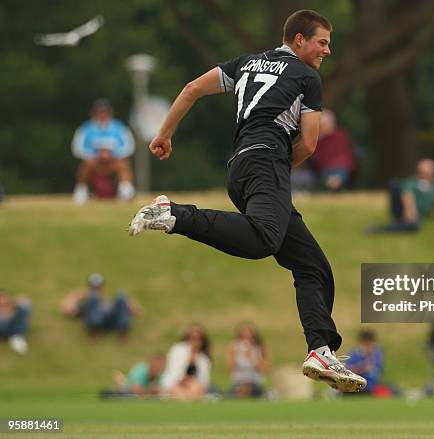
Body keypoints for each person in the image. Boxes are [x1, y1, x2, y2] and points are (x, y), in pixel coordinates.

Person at [127, 9, 366, 392]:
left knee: (312, 266)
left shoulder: (246, 63)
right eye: (322, 42)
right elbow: (307, 143)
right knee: (263, 241)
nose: (327, 50)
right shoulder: (307, 77)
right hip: (266, 162)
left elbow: (191, 89)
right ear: (299, 40)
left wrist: (164, 135)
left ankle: (321, 349)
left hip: (238, 166)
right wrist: (277, 171)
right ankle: (175, 215)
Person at [72, 99, 136, 204]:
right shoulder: (86, 129)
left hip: (113, 162)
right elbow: (77, 148)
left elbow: (129, 146)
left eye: (104, 112)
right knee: (86, 165)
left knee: (123, 164)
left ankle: (125, 192)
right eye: (99, 112)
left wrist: (113, 155)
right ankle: (81, 192)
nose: (102, 115)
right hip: (94, 163)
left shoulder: (119, 128)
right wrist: (95, 155)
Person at [368, 158, 434, 233]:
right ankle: (382, 228)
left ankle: (391, 227)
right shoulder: (412, 182)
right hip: (404, 208)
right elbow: (407, 194)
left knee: (413, 225)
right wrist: (410, 210)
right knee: (395, 184)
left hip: (417, 214)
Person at [60, 273, 139, 336]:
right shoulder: (87, 305)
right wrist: (80, 294)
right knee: (94, 299)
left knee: (121, 295)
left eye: (98, 288)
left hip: (113, 321)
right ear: (89, 288)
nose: (96, 290)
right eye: (93, 288)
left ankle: (123, 332)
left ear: (103, 288)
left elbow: (136, 311)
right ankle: (95, 332)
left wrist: (127, 300)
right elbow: (66, 309)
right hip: (96, 323)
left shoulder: (111, 302)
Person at [161, 324, 212, 400]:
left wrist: (193, 384)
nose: (195, 341)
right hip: (175, 384)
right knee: (180, 393)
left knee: (195, 389)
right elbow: (174, 372)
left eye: (198, 338)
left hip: (195, 387)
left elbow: (204, 381)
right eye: (192, 338)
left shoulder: (204, 359)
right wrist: (185, 381)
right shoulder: (177, 350)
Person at [310, 109, 357, 191]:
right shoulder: (317, 140)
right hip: (324, 169)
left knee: (338, 173)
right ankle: (332, 183)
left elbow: (347, 157)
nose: (321, 128)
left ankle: (334, 182)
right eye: (319, 126)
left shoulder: (340, 136)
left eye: (323, 125)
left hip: (341, 168)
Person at [345, 329, 399, 397]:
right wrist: (362, 368)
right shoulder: (355, 354)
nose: (368, 347)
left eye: (370, 344)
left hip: (373, 385)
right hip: (359, 385)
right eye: (366, 344)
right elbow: (347, 370)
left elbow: (379, 371)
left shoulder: (377, 353)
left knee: (393, 389)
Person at [227, 321, 269, 398]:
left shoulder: (259, 347)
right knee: (241, 388)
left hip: (254, 381)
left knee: (250, 388)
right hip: (239, 381)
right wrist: (236, 354)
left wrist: (252, 358)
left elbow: (265, 370)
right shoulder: (234, 347)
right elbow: (230, 369)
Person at [0, 290, 31, 355]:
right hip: (4, 329)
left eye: (3, 296)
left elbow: (24, 301)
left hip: (16, 329)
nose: (2, 300)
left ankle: (16, 338)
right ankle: (16, 338)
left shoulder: (15, 307)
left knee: (24, 305)